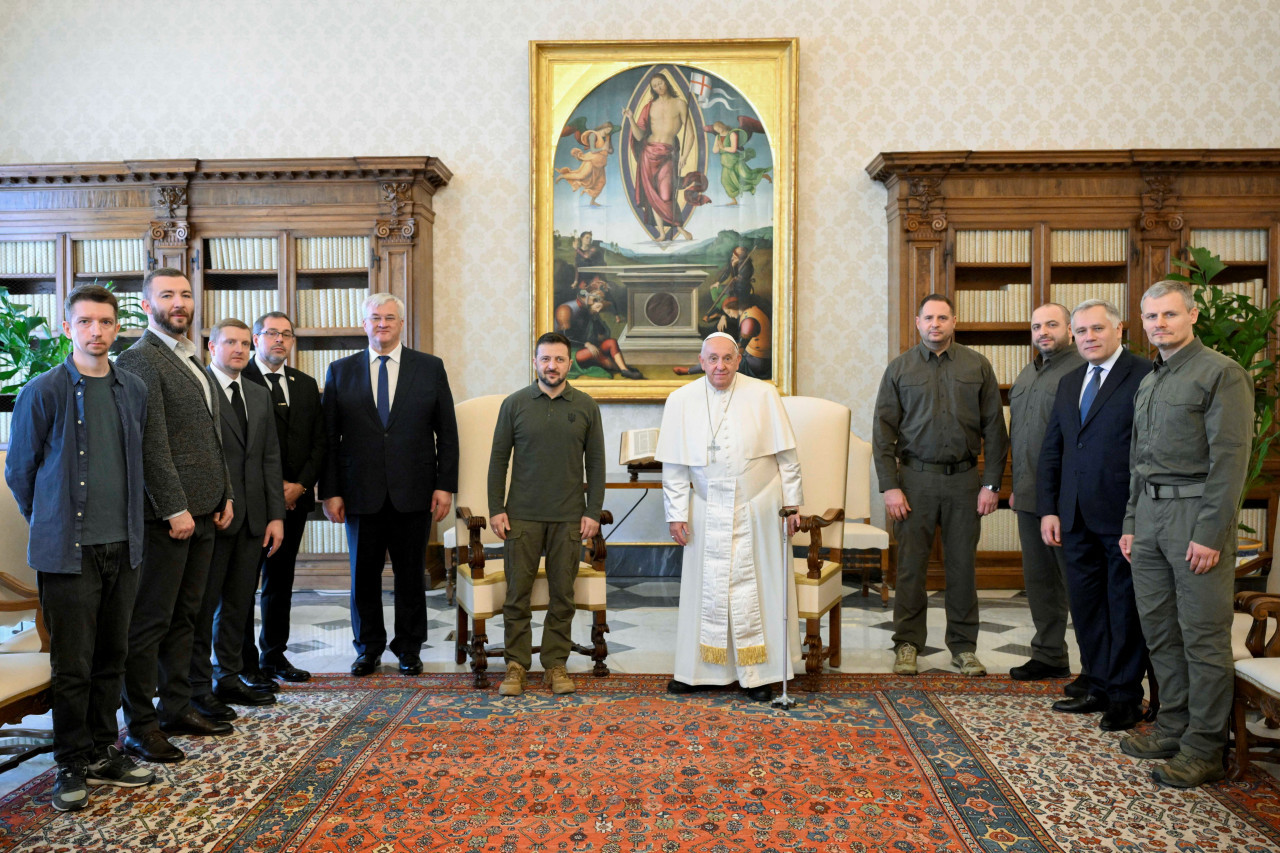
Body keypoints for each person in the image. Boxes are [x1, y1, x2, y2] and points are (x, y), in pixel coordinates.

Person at [5, 284, 156, 810]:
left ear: (117, 329)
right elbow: (20, 472)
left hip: (125, 545)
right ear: (69, 328)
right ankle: (70, 762)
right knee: (73, 664)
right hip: (69, 552)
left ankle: (101, 751)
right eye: (86, 322)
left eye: (106, 323)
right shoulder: (42, 392)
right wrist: (48, 521)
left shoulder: (132, 389)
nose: (96, 331)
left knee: (112, 656)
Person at [1118, 280, 1252, 788]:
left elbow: (1230, 461)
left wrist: (1212, 533)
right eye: (1151, 317)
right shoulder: (1151, 380)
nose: (1159, 325)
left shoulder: (1221, 374)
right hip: (1149, 519)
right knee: (1160, 630)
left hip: (1196, 517)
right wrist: (1131, 523)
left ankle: (1204, 748)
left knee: (1202, 635)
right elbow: (1138, 462)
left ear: (1192, 315)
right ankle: (1172, 725)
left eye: (1169, 315)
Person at [116, 268, 236, 764]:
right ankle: (141, 725)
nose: (179, 302)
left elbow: (209, 436)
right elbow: (151, 443)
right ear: (147, 305)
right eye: (167, 295)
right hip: (168, 518)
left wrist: (225, 494)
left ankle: (177, 707)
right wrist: (173, 507)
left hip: (207, 513)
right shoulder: (140, 359)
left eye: (185, 293)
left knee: (188, 616)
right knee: (151, 623)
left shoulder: (192, 357)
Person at [655, 333, 803, 702]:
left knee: (761, 589)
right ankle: (700, 672)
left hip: (759, 507)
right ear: (701, 361)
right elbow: (674, 467)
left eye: (727, 358)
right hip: (705, 507)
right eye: (712, 359)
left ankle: (762, 674)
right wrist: (676, 514)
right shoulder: (680, 400)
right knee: (706, 590)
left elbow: (787, 457)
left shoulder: (764, 394)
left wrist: (792, 506)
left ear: (738, 360)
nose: (720, 366)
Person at [321, 293, 459, 677]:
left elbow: (446, 432)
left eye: (389, 318)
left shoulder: (429, 368)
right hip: (358, 492)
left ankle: (409, 648)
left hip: (414, 490)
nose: (382, 324)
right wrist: (330, 491)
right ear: (364, 324)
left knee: (411, 575)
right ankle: (368, 648)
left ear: (401, 323)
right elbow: (329, 439)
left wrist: (444, 485)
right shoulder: (339, 371)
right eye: (375, 318)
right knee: (362, 576)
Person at [872, 293, 1008, 677]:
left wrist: (992, 484)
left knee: (962, 567)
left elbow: (995, 431)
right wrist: (890, 486)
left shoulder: (977, 365)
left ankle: (963, 648)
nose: (935, 324)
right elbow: (882, 433)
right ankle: (908, 645)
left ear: (953, 322)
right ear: (918, 322)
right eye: (928, 317)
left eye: (942, 317)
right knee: (911, 568)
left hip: (966, 481)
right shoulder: (899, 370)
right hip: (913, 481)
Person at [1037, 300, 1152, 732]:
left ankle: (1125, 696)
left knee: (1124, 608)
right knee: (1086, 606)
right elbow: (1055, 449)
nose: (1088, 337)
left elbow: (1146, 453)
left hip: (1123, 515)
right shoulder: (1069, 382)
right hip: (1074, 515)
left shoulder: (1144, 375)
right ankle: (1098, 683)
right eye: (1081, 331)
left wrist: (1137, 519)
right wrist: (1050, 508)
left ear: (1119, 329)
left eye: (1097, 329)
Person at [488, 332, 606, 696]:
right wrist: (496, 509)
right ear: (535, 362)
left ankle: (555, 665)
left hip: (569, 518)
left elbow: (597, 464)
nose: (551, 366)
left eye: (558, 359)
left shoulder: (586, 406)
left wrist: (592, 512)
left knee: (562, 597)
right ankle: (516, 666)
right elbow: (498, 460)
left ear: (570, 363)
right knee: (517, 595)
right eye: (545, 359)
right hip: (521, 517)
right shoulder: (515, 404)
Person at [189, 320, 286, 721]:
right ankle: (197, 688)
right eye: (230, 342)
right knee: (202, 607)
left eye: (245, 343)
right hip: (213, 517)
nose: (239, 350)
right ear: (212, 346)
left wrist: (276, 515)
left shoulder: (259, 396)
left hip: (253, 520)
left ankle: (228, 678)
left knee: (239, 606)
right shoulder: (199, 391)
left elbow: (268, 459)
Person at [240, 311, 325, 685]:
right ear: (256, 339)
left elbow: (320, 442)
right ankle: (242, 663)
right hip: (252, 503)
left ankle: (274, 656)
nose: (279, 340)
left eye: (286, 334)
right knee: (242, 585)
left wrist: (301, 486)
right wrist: (275, 491)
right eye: (271, 333)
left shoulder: (305, 384)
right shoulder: (238, 379)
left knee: (280, 582)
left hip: (295, 501)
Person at [1007, 303, 1083, 684]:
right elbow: (1020, 434)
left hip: (1066, 499)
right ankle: (1050, 654)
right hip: (1028, 496)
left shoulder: (1081, 369)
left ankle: (1097, 670)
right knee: (1040, 582)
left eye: (1052, 324)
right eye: (1037, 326)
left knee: (1078, 584)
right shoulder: (1028, 371)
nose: (1043, 332)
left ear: (1070, 328)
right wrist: (1016, 487)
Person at [623, 72, 693, 241]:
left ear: (667, 83)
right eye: (655, 86)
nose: (659, 88)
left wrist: (684, 155)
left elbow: (690, 134)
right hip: (648, 153)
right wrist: (631, 119)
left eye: (660, 83)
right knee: (652, 194)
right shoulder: (649, 107)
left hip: (668, 154)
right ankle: (662, 232)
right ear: (652, 89)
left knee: (666, 194)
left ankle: (680, 228)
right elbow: (639, 136)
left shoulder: (680, 104)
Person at [554, 290, 644, 379]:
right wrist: (587, 344)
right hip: (570, 351)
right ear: (587, 302)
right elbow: (565, 338)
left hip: (586, 347)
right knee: (594, 352)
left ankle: (624, 369)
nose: (598, 308)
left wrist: (595, 318)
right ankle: (620, 369)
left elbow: (602, 334)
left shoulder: (590, 313)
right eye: (596, 304)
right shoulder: (571, 313)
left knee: (611, 342)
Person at [708, 119, 771, 205]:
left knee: (746, 175)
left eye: (718, 128)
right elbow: (714, 150)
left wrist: (723, 148)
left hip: (735, 160)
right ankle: (734, 200)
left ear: (721, 126)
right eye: (716, 130)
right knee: (725, 181)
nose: (717, 131)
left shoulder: (732, 134)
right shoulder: (717, 137)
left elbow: (733, 149)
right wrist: (717, 146)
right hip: (725, 162)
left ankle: (763, 175)